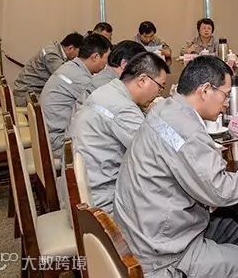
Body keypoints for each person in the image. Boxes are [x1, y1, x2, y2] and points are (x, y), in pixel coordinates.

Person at [114, 56, 238, 278]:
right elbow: (219, 190)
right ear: (205, 90)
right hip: (164, 254)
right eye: (225, 94)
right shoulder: (186, 130)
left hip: (142, 232)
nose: (226, 102)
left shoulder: (165, 108)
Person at [69, 52, 169, 213]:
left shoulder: (109, 91)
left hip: (85, 193)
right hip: (103, 204)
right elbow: (157, 153)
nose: (159, 93)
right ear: (142, 80)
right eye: (160, 86)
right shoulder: (123, 108)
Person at [40, 33, 111, 159]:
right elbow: (104, 106)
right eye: (107, 58)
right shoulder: (80, 79)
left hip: (47, 134)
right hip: (58, 142)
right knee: (111, 148)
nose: (106, 64)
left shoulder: (71, 67)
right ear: (95, 57)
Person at [12, 32, 83, 106]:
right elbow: (65, 77)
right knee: (65, 104)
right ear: (71, 48)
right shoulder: (51, 54)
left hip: (33, 92)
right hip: (26, 94)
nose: (78, 57)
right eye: (79, 53)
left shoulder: (55, 49)